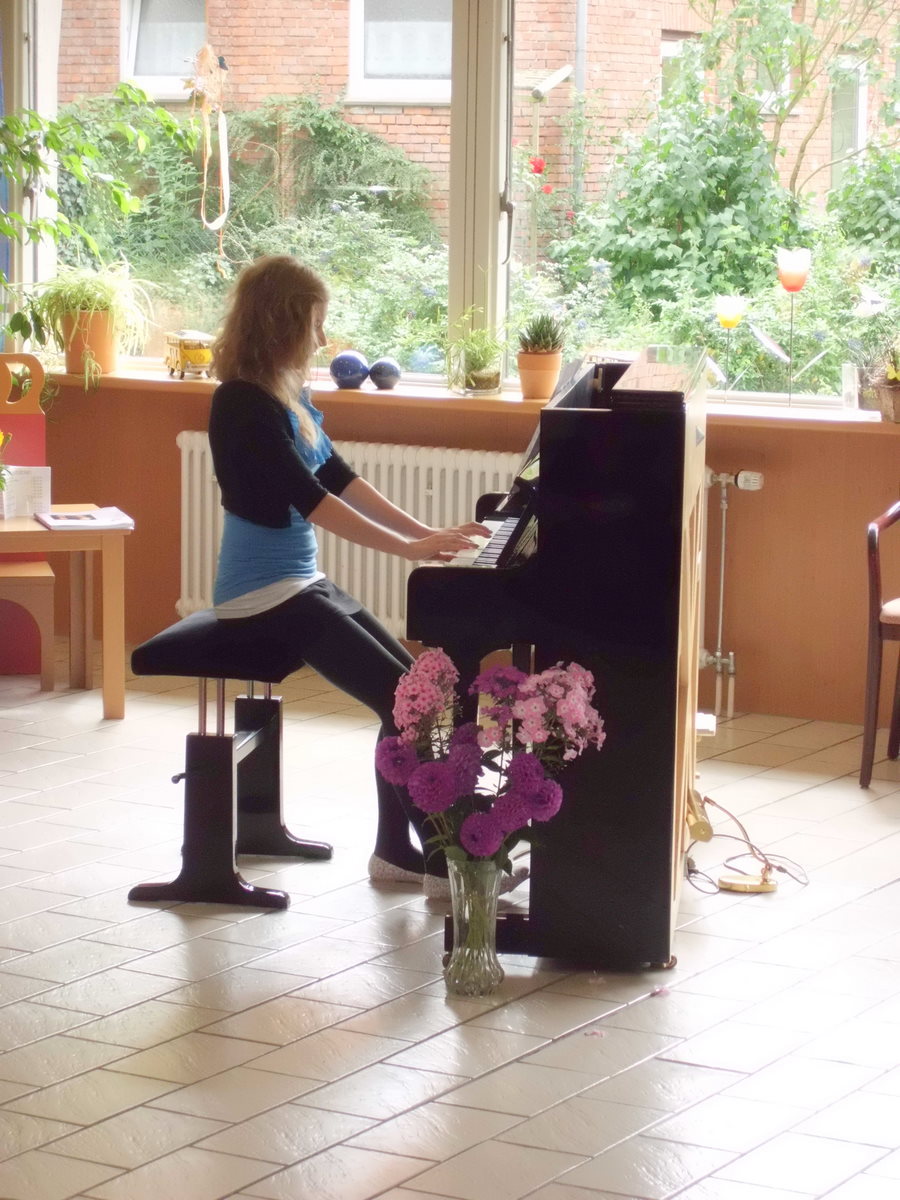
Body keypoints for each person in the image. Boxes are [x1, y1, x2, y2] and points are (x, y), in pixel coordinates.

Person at [207, 254, 491, 897]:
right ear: (282, 324)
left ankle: (397, 853)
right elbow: (313, 502)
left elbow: (339, 477)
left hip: (298, 583)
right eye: (314, 324)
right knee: (406, 698)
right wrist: (409, 549)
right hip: (259, 595)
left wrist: (425, 534)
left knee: (419, 692)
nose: (322, 339)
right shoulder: (240, 404)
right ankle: (445, 863)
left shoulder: (286, 391)